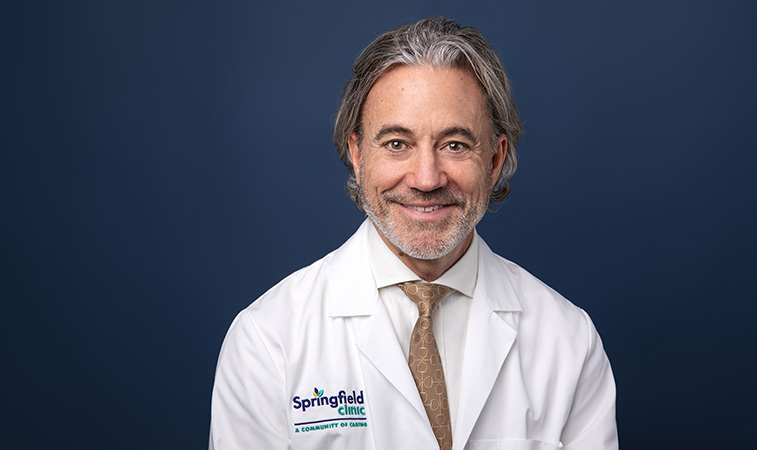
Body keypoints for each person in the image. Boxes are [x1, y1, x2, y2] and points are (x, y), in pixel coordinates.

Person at [210, 17, 618, 450]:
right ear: (357, 155)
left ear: (495, 159)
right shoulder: (267, 341)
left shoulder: (568, 341)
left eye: (455, 145)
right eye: (397, 144)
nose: (426, 179)